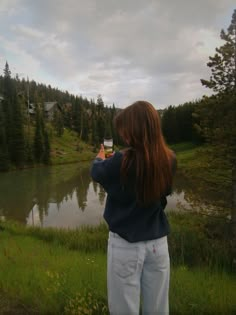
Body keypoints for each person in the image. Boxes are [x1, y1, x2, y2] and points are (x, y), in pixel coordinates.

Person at [90, 100, 176, 315]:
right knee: (158, 309)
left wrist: (102, 156)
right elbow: (164, 194)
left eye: (125, 131)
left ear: (135, 130)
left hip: (125, 246)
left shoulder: (121, 161)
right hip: (158, 245)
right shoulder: (170, 159)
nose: (123, 136)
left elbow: (98, 172)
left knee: (123, 310)